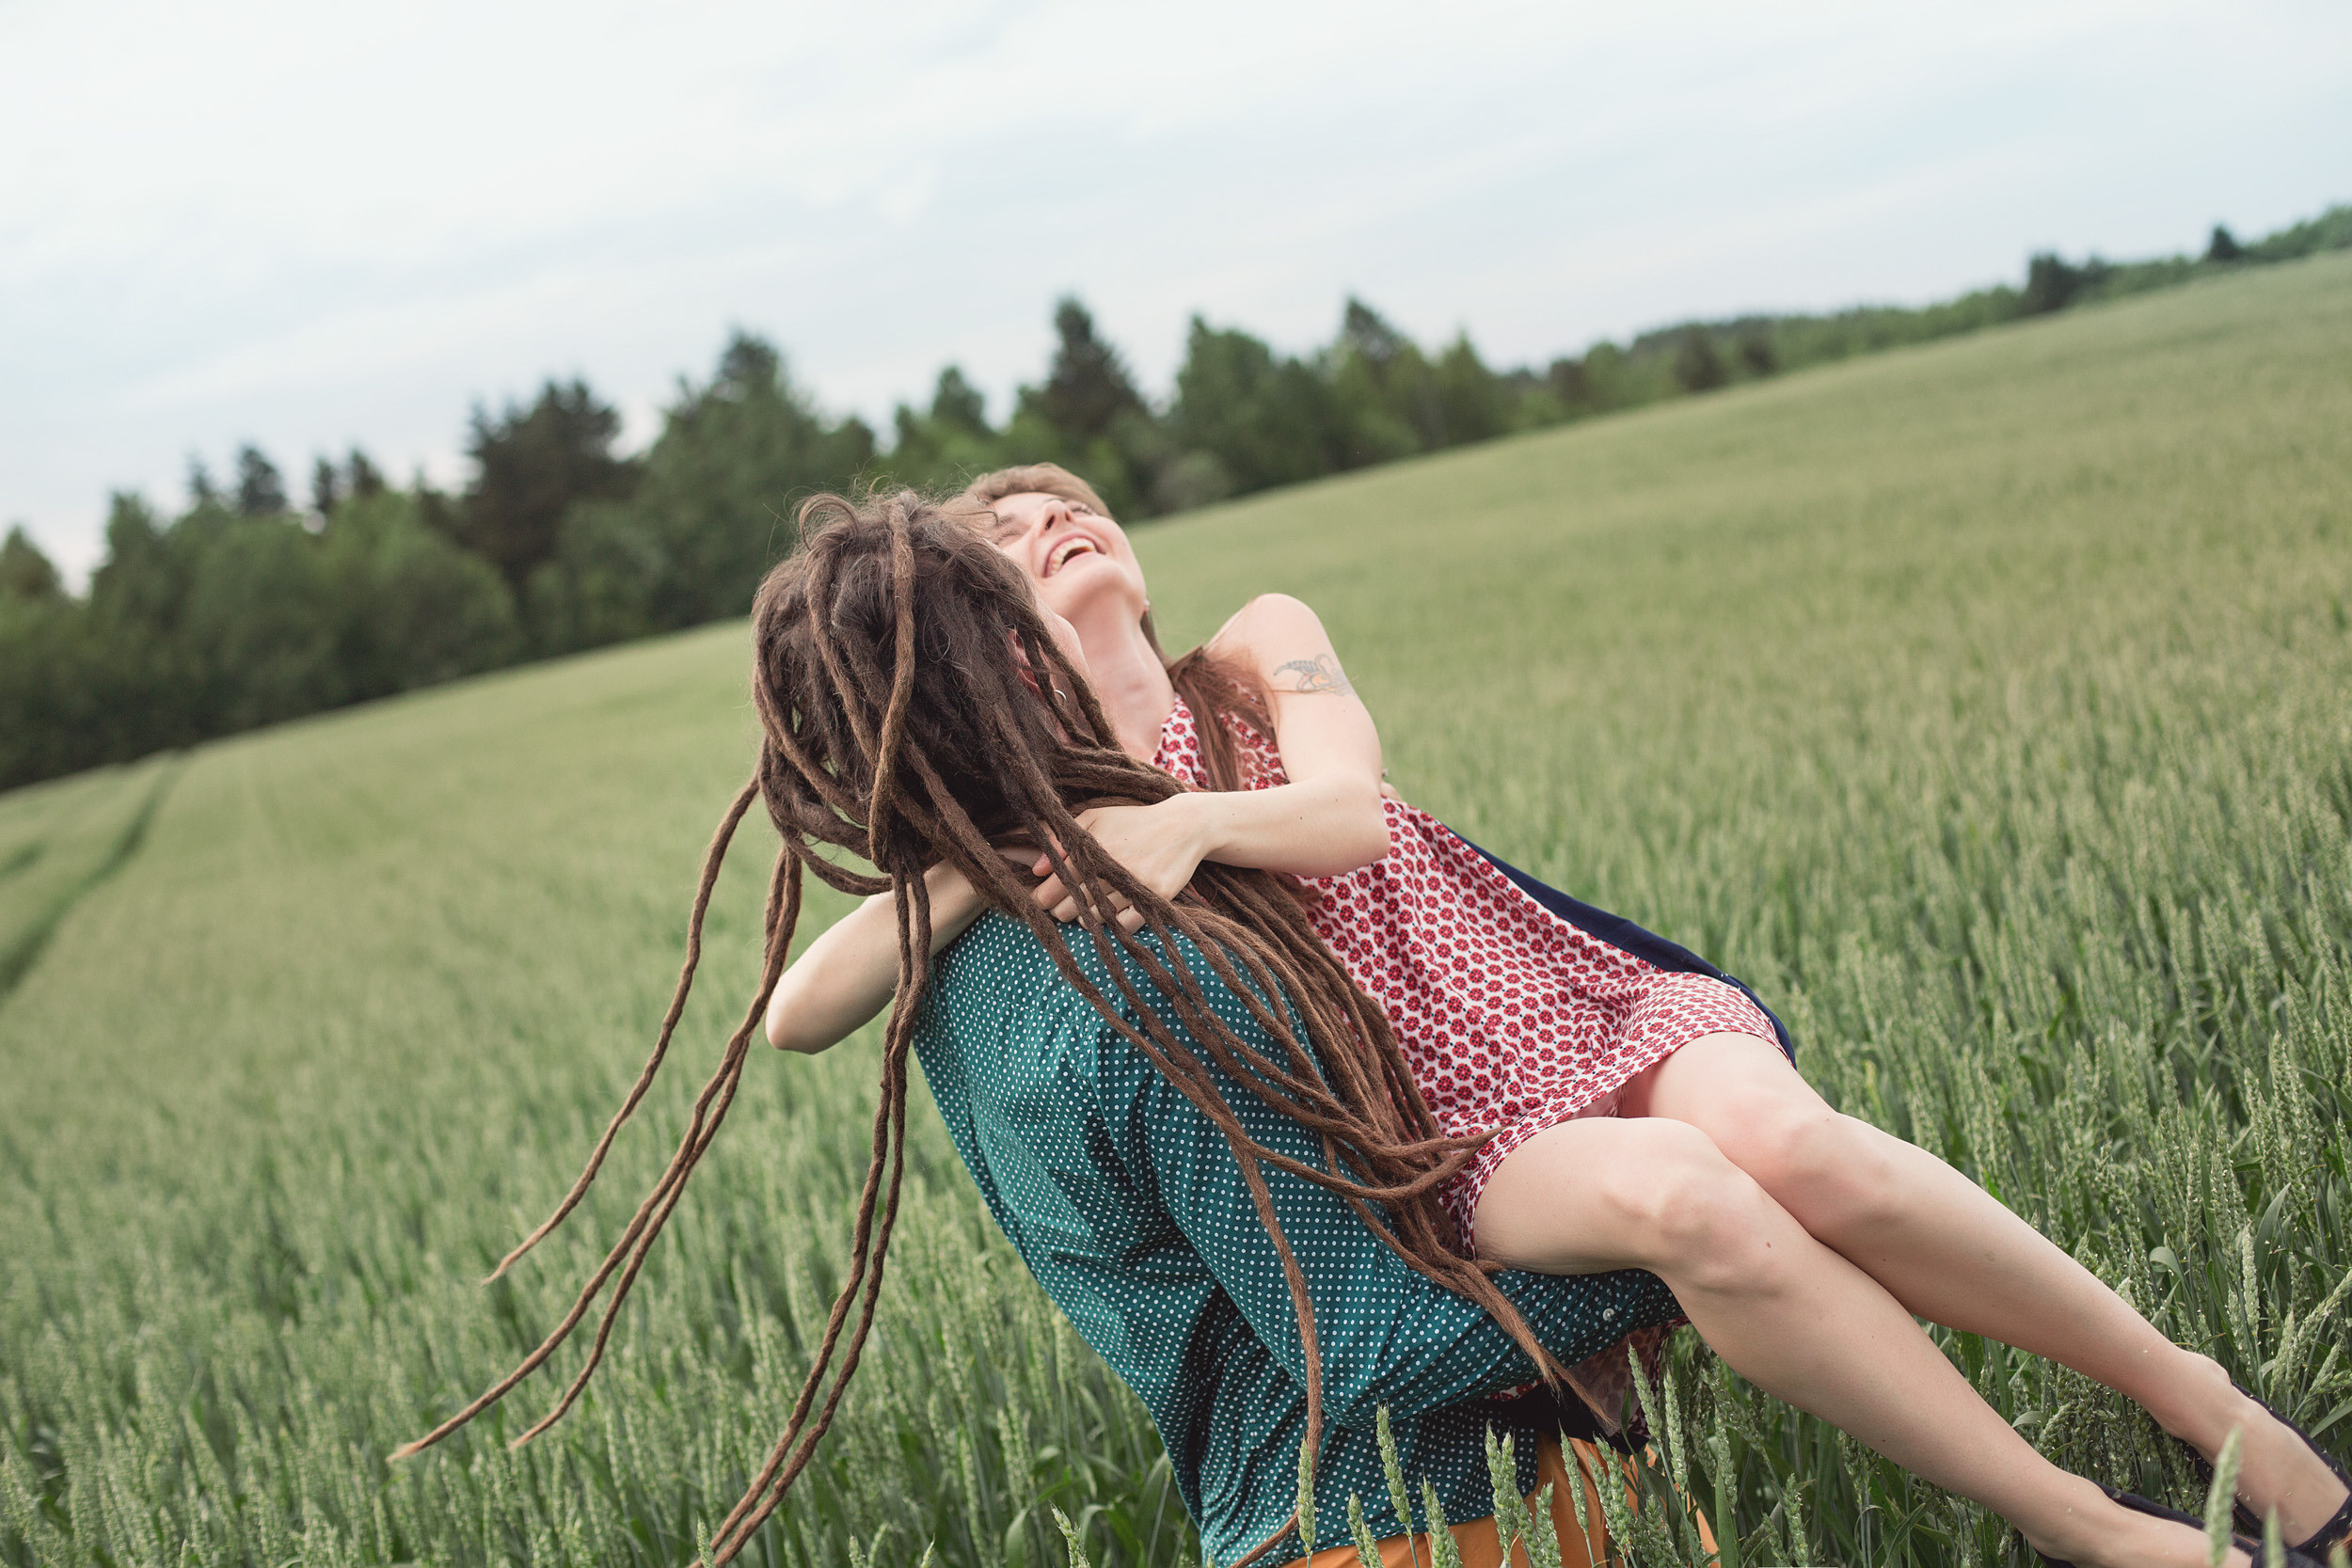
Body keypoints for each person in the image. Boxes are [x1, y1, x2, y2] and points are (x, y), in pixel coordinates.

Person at [771, 468, 2350, 1568]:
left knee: (1797, 1148)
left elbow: (1348, 815)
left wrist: (1189, 827)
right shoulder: (1056, 820)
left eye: (1067, 501)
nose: (1055, 519)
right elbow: (801, 1009)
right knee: (1685, 1204)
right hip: (1442, 1124)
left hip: (1560, 997)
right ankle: (2080, 1523)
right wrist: (977, 864)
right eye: (1012, 537)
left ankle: (2201, 1404)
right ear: (991, 650)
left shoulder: (1259, 643)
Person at [395, 491, 1707, 1567]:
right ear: (1016, 663)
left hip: (1279, 1529)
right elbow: (1365, 1343)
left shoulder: (945, 981)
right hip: (1441, 1517)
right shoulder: (1142, 963)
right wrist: (1694, 1245)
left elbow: (805, 1009)